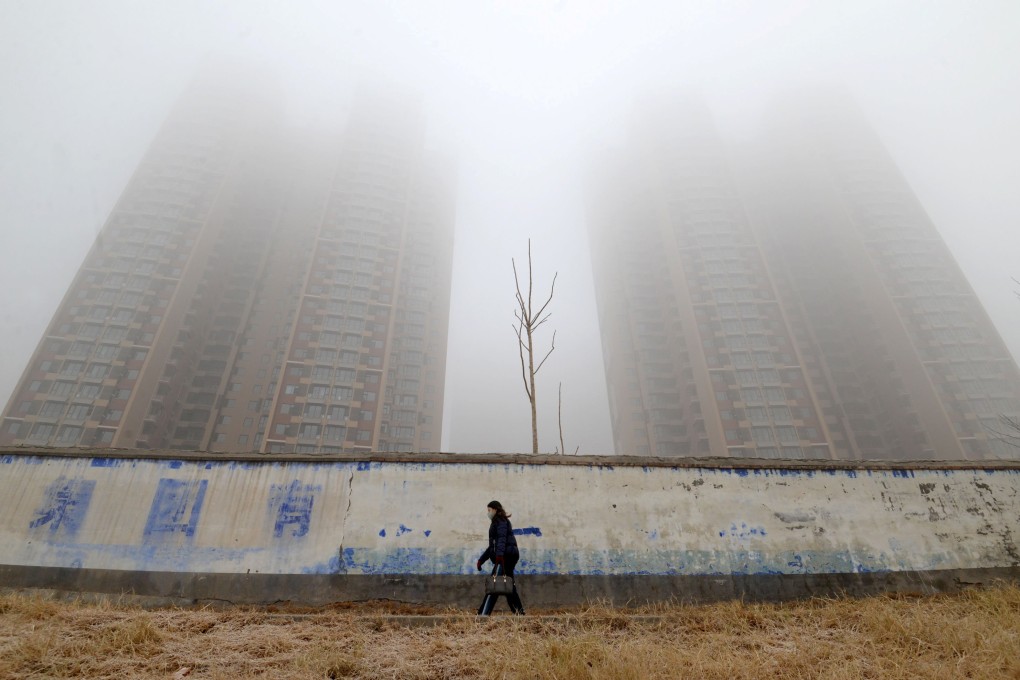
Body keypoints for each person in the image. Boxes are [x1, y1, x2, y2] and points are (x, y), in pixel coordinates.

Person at [476, 500, 525, 615]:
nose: (488, 513)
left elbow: (502, 540)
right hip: (506, 555)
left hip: (505, 556)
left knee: (494, 585)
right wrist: (481, 560)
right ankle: (519, 614)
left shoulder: (501, 521)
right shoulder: (496, 522)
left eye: (489, 510)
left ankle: (483, 615)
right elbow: (492, 547)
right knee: (508, 587)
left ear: (495, 510)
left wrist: (499, 557)